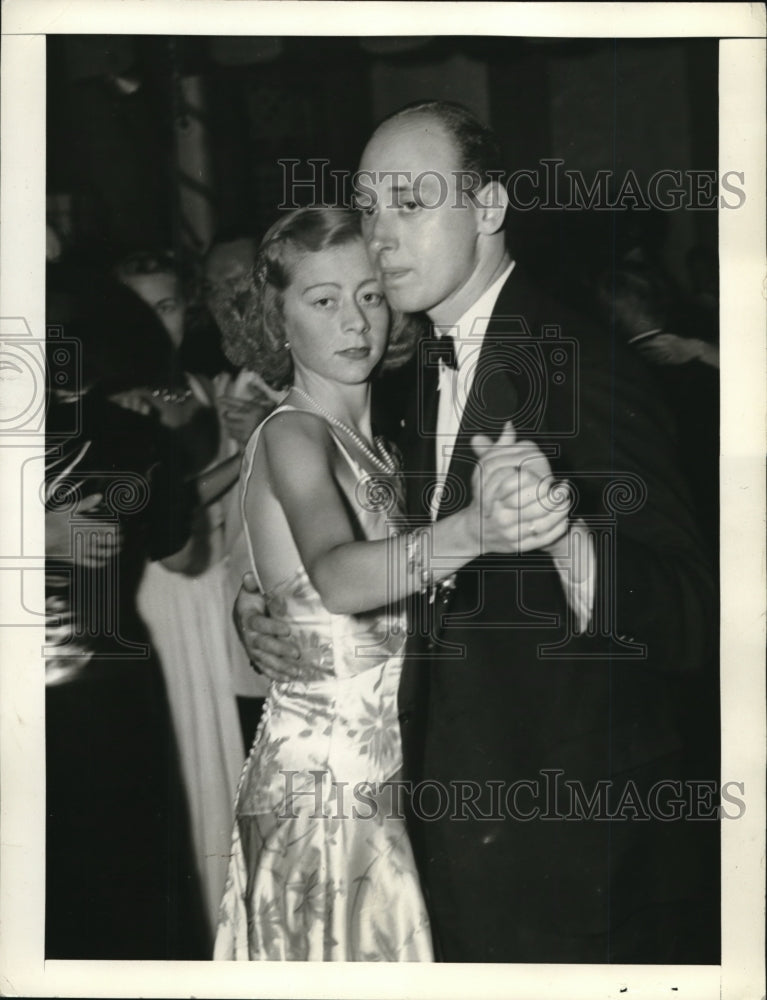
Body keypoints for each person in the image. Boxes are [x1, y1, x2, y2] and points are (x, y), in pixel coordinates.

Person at [237, 101, 718, 964]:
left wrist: (562, 536)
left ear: (489, 209)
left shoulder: (580, 361)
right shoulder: (411, 373)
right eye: (369, 205)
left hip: (567, 849)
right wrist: (275, 603)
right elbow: (373, 552)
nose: (380, 233)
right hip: (435, 834)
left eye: (411, 202)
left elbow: (690, 613)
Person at [213, 206, 571, 962]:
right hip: (327, 785)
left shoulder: (384, 448)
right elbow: (338, 578)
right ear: (275, 322)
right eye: (323, 300)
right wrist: (473, 529)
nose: (355, 320)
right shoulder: (291, 432)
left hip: (395, 770)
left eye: (370, 294)